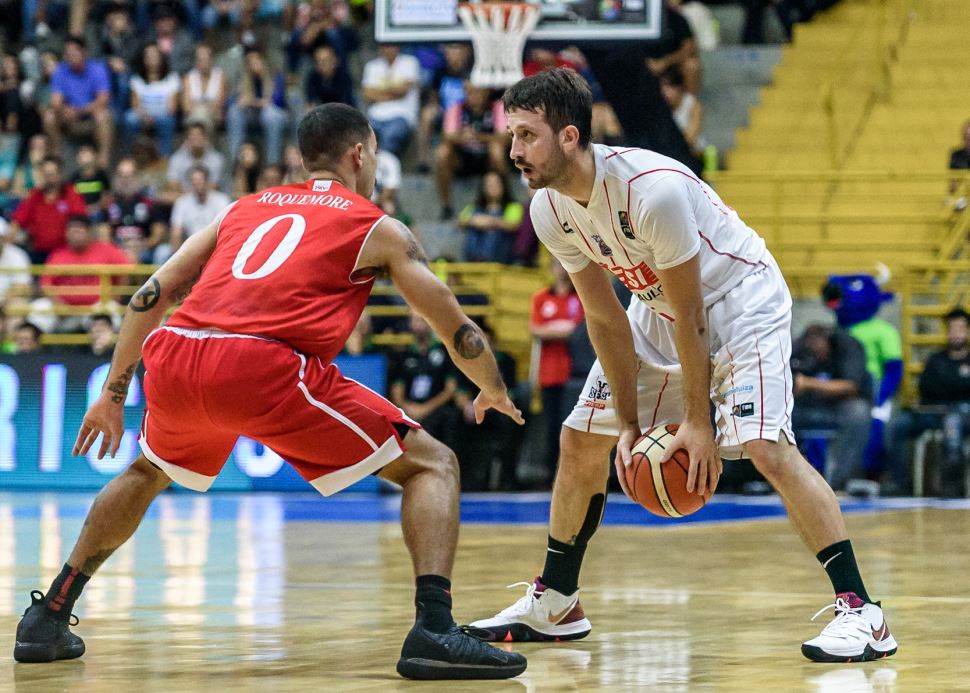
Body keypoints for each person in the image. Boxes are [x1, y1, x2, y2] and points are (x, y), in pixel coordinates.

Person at [13, 103, 527, 681]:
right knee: (434, 465)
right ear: (359, 155)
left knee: (146, 471)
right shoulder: (375, 225)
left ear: (304, 160)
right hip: (262, 363)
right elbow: (450, 321)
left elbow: (149, 296)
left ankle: (49, 616)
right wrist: (492, 386)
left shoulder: (243, 207)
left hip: (177, 353)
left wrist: (112, 396)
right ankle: (434, 627)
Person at [466, 68, 897, 664]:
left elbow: (694, 316)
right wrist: (626, 422)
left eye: (526, 136)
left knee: (765, 447)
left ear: (569, 137)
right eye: (511, 135)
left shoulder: (652, 192)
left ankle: (863, 612)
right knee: (580, 439)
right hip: (656, 307)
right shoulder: (548, 208)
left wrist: (698, 422)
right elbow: (605, 320)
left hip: (739, 301)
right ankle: (558, 601)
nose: (513, 151)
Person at [884, 308, 970, 497]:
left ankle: (952, 486)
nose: (956, 333)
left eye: (960, 328)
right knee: (898, 425)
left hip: (963, 413)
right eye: (952, 329)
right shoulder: (935, 359)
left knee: (953, 422)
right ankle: (900, 482)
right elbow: (926, 387)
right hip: (932, 411)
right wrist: (956, 384)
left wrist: (948, 386)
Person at [790, 324, 873, 491]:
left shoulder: (848, 346)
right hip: (808, 407)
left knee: (859, 413)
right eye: (811, 348)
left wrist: (807, 383)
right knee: (775, 414)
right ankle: (787, 478)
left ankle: (838, 481)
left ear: (826, 340)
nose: (816, 353)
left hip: (843, 406)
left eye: (818, 348)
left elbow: (851, 386)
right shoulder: (797, 349)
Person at [530, 258, 584, 483]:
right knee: (553, 426)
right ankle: (552, 475)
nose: (561, 269)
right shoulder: (541, 298)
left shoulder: (580, 296)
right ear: (551, 268)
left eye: (564, 264)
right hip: (549, 373)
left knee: (577, 426)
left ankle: (576, 475)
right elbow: (535, 330)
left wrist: (552, 329)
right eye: (557, 265)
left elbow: (581, 329)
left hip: (576, 374)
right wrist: (565, 329)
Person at [434, 82, 508, 221]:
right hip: (463, 158)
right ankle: (446, 206)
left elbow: (505, 137)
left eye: (476, 92)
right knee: (442, 153)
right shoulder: (456, 108)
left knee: (496, 150)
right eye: (468, 92)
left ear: (486, 92)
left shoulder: (497, 107)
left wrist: (479, 137)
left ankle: (505, 199)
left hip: (487, 159)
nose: (471, 96)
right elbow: (447, 136)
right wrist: (461, 137)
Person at [43, 36, 113, 168]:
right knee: (49, 116)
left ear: (84, 52)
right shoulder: (60, 71)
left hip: (90, 116)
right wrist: (64, 110)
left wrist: (79, 111)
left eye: (74, 53)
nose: (71, 57)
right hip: (68, 118)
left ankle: (103, 162)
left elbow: (103, 99)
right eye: (68, 54)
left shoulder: (98, 69)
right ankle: (56, 157)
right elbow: (56, 101)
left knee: (103, 114)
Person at [10, 154, 87, 263]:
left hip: (65, 252)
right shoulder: (34, 196)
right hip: (38, 253)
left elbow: (80, 222)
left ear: (60, 174)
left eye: (51, 175)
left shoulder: (71, 194)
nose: (48, 179)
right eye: (45, 174)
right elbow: (16, 222)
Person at [226, 46, 289, 165]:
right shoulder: (243, 77)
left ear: (263, 60)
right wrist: (240, 100)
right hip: (252, 114)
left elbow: (278, 101)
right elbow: (231, 100)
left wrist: (254, 101)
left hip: (276, 114)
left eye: (256, 59)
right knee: (233, 112)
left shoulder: (275, 75)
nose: (253, 64)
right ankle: (236, 161)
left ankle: (272, 163)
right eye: (249, 61)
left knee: (270, 115)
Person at [361, 43, 420, 156]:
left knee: (390, 136)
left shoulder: (410, 62)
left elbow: (403, 90)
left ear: (397, 46)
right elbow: (367, 94)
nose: (386, 49)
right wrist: (393, 92)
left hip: (402, 115)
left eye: (389, 45)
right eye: (383, 46)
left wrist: (378, 91)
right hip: (375, 116)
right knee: (361, 136)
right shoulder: (372, 66)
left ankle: (384, 164)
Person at [123, 43, 181, 157]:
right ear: (143, 59)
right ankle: (129, 156)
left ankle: (165, 156)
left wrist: (153, 118)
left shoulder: (172, 78)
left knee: (166, 119)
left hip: (163, 114)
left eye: (155, 55)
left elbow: (172, 108)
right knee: (129, 118)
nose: (152, 59)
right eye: (148, 56)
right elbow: (135, 106)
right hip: (142, 115)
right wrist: (145, 117)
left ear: (161, 57)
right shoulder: (136, 80)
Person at [166, 165, 232, 258]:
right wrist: (177, 257)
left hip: (215, 246)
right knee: (162, 252)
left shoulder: (222, 200)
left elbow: (227, 229)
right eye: (194, 181)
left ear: (207, 181)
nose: (197, 184)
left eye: (200, 181)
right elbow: (176, 232)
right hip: (189, 247)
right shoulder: (182, 202)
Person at [457, 171, 523, 263]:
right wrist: (473, 221)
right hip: (474, 253)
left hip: (501, 254)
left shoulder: (513, 206)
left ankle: (486, 258)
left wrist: (491, 222)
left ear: (503, 186)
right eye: (489, 184)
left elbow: (514, 225)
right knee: (473, 227)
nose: (492, 187)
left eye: (496, 184)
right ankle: (474, 259)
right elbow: (460, 222)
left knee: (494, 231)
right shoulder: (475, 207)